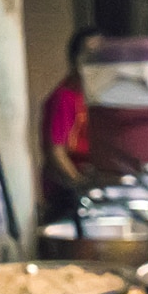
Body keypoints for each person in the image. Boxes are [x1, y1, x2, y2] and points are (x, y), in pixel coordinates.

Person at [40, 26, 102, 222]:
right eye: (90, 55)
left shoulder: (95, 96)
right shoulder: (64, 98)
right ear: (76, 60)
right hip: (67, 192)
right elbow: (56, 152)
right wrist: (79, 183)